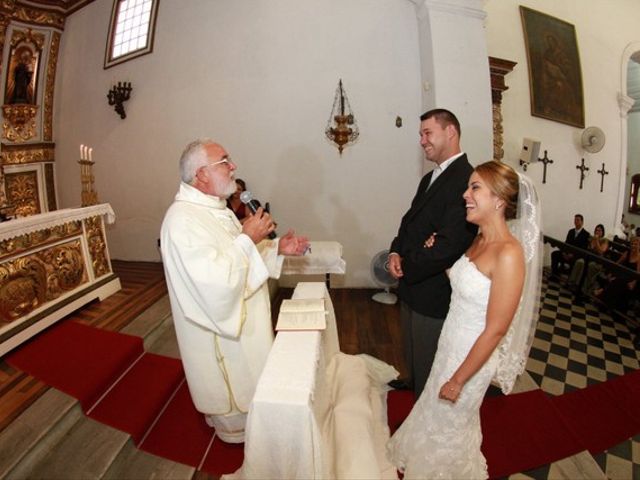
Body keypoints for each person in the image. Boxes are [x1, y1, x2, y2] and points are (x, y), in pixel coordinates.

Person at [387, 161, 542, 479]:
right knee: (433, 410)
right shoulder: (479, 240)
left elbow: (497, 328)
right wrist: (440, 258)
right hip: (449, 342)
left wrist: (459, 379)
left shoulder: (509, 254)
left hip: (472, 357)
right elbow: (467, 282)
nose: (465, 195)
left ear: (499, 199)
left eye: (474, 188)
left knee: (451, 424)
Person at [160, 139, 309, 443]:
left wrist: (278, 247)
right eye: (224, 161)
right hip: (222, 338)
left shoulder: (216, 209)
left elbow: (237, 255)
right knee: (242, 419)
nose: (234, 167)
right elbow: (214, 283)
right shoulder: (181, 221)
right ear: (201, 174)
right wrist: (246, 237)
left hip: (246, 325)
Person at [388, 108, 477, 397]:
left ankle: (421, 406)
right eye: (420, 135)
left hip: (434, 288)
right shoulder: (429, 179)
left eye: (428, 133)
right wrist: (394, 253)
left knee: (429, 358)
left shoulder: (467, 179)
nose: (422, 141)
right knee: (412, 349)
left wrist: (407, 266)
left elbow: (448, 246)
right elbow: (408, 222)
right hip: (412, 280)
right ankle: (411, 380)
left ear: (450, 131)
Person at [550, 214, 589, 278]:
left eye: (578, 220)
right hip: (566, 253)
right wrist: (564, 252)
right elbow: (566, 244)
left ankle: (570, 280)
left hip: (576, 256)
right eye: (575, 220)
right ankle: (554, 275)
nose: (575, 221)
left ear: (582, 222)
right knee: (554, 254)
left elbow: (583, 248)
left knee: (576, 262)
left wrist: (573, 255)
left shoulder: (586, 234)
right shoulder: (571, 231)